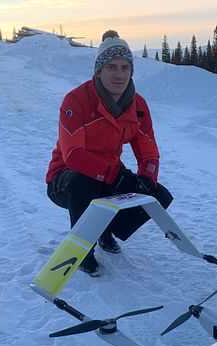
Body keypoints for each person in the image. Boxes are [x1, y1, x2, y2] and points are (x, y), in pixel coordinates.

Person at [45, 29, 173, 277]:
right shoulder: (76, 100)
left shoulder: (138, 105)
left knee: (158, 196)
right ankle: (83, 252)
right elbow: (73, 155)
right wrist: (115, 176)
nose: (119, 74)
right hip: (65, 179)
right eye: (112, 67)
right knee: (85, 184)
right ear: (98, 70)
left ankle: (105, 229)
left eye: (125, 67)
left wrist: (147, 178)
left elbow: (149, 150)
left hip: (107, 175)